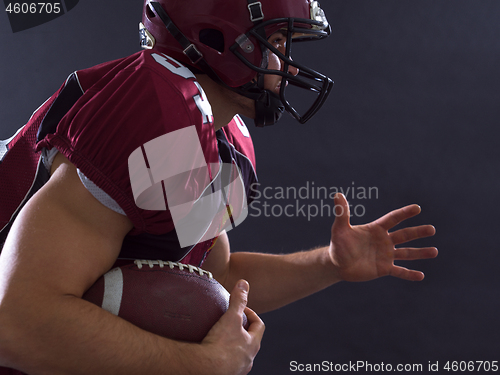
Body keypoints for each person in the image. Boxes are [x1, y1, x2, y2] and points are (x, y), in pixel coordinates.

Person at [0, 0, 438, 374]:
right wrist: (201, 365)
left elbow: (215, 277)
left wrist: (330, 263)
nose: (287, 65)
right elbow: (17, 321)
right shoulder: (158, 108)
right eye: (278, 43)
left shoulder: (224, 137)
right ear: (220, 39)